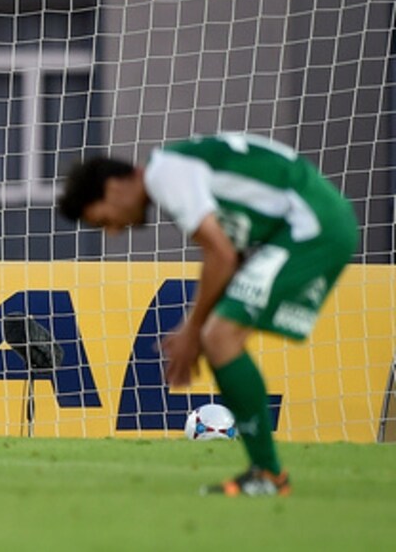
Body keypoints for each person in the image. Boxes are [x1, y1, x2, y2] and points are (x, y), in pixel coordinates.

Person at [58, 133, 358, 497]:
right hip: (310, 223)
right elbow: (233, 250)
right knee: (221, 337)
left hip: (311, 228)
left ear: (113, 187)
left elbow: (221, 256)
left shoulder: (163, 174)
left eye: (104, 220)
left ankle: (268, 474)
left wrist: (191, 330)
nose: (114, 230)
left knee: (217, 336)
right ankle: (266, 472)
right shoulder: (176, 169)